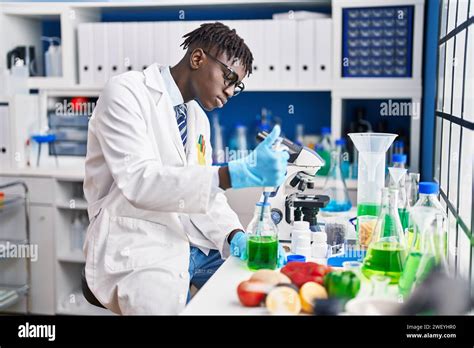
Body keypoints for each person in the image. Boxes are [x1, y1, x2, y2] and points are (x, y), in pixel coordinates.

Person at [83, 22, 289, 314]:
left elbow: (203, 191)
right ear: (197, 59)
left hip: (189, 242)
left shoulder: (197, 117)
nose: (230, 91)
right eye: (228, 77)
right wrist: (230, 174)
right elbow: (140, 182)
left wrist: (233, 234)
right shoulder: (125, 93)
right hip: (135, 241)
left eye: (237, 85)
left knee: (252, 282)